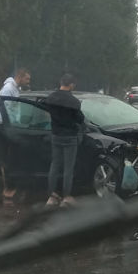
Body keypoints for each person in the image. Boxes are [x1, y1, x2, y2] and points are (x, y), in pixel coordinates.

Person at [46, 73, 84, 208]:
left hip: (56, 135)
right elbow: (79, 119)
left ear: (60, 82)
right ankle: (66, 197)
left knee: (54, 165)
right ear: (72, 85)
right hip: (70, 137)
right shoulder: (74, 101)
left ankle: (52, 196)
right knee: (68, 168)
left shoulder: (50, 98)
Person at [0, 68, 31, 202]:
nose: (28, 81)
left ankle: (12, 185)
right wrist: (10, 126)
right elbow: (5, 108)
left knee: (13, 157)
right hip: (4, 126)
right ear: (20, 77)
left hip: (11, 125)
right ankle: (8, 188)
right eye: (27, 79)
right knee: (6, 158)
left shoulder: (15, 89)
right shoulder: (8, 88)